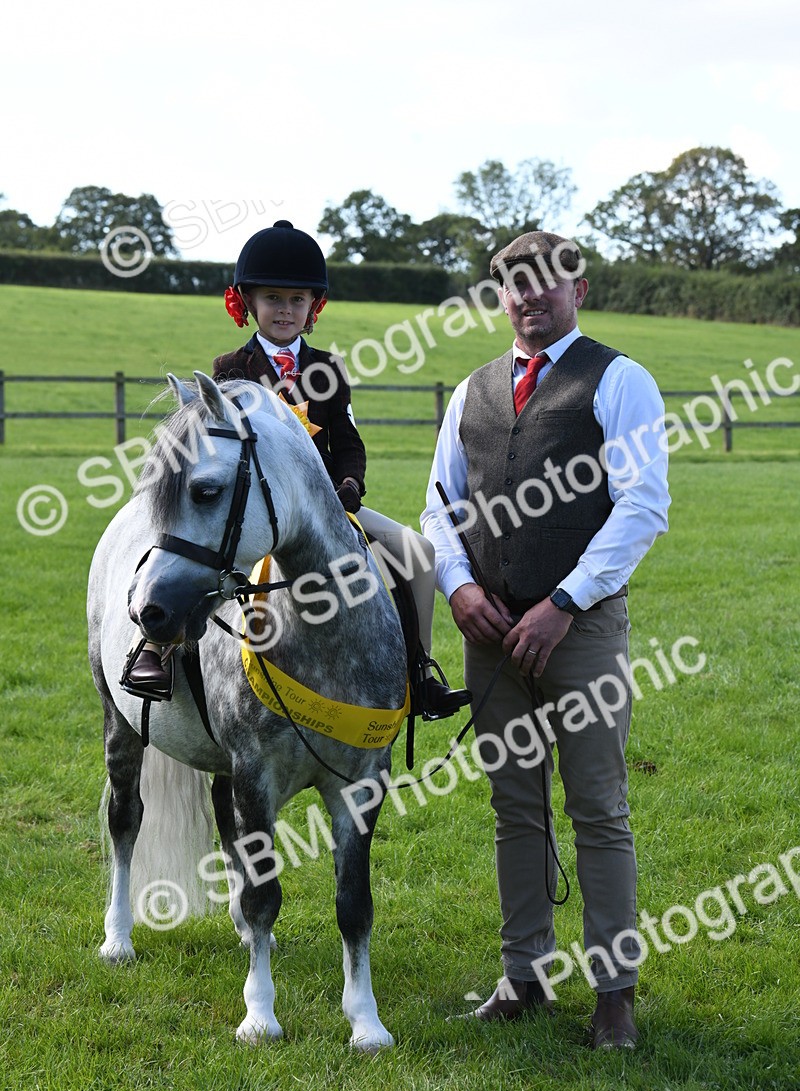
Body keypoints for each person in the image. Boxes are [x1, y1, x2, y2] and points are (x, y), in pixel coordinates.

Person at [420, 230, 670, 1048]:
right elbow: (438, 505)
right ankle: (524, 976)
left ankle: (614, 996)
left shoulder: (620, 380)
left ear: (578, 289)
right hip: (491, 633)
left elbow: (642, 505)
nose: (529, 295)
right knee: (514, 809)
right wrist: (458, 586)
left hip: (581, 630)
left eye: (545, 280)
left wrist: (564, 600)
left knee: (598, 809)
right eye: (513, 283)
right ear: (501, 296)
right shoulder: (472, 391)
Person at [126, 220, 469, 722]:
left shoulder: (329, 368)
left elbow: (348, 442)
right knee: (195, 552)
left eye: (296, 300)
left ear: (313, 307)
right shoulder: (230, 368)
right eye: (273, 299)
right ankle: (156, 651)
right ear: (249, 303)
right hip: (253, 508)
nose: (285, 310)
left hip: (327, 507)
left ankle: (417, 675)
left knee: (417, 551)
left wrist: (349, 485)